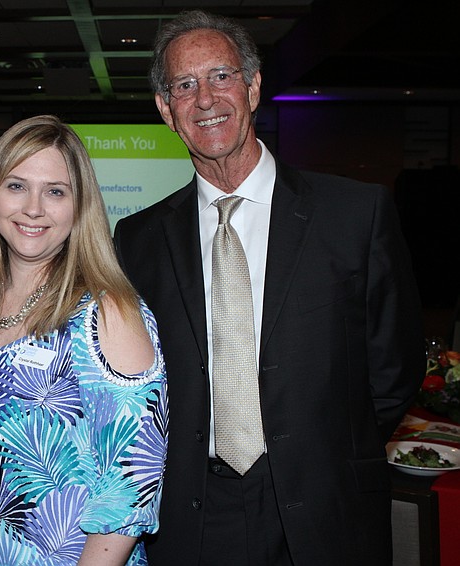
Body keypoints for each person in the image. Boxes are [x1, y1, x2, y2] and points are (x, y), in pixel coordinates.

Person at [113, 10, 423, 566]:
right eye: (184, 85)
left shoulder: (354, 215)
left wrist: (321, 447)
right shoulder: (136, 240)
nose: (205, 98)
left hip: (327, 508)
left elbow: (394, 369)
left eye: (221, 76)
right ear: (166, 110)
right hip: (190, 515)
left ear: (253, 88)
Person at [0, 115, 168, 565]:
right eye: (16, 186)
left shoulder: (107, 313)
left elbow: (131, 489)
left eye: (55, 191)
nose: (33, 208)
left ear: (79, 207)